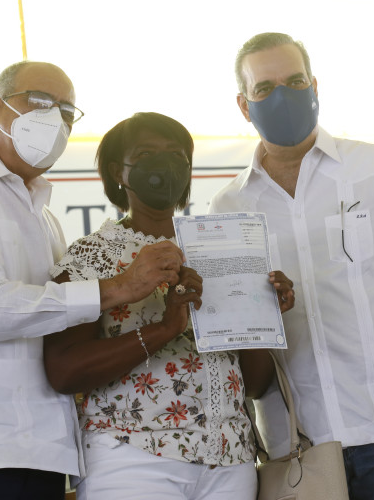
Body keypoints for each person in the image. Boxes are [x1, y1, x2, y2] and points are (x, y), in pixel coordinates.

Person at [209, 32, 374, 499]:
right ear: (244, 105)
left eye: (294, 81)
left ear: (315, 86)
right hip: (297, 446)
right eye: (265, 88)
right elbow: (237, 333)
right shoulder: (229, 207)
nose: (283, 96)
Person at [0, 63, 186, 499]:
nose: (55, 119)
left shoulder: (43, 216)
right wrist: (119, 288)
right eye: (40, 102)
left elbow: (61, 341)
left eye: (67, 111)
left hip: (46, 451)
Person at [43, 112, 296, 500]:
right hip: (133, 457)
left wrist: (262, 316)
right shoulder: (92, 256)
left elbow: (255, 384)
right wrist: (164, 329)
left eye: (177, 155)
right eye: (146, 153)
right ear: (117, 171)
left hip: (230, 461)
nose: (164, 164)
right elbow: (64, 371)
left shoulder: (218, 249)